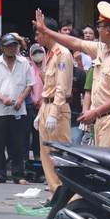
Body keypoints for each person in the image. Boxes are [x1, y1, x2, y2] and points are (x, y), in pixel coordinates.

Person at [32, 1, 110, 148]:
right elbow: (74, 42)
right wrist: (46, 31)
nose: (97, 30)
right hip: (99, 119)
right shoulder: (102, 48)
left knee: (107, 168)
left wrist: (95, 111)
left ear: (108, 29)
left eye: (99, 27)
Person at [31, 14, 73, 207]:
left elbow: (61, 88)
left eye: (39, 33)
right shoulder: (50, 54)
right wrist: (42, 112)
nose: (36, 38)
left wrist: (54, 113)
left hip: (57, 108)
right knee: (46, 154)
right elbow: (49, 86)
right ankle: (55, 193)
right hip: (47, 106)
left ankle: (67, 195)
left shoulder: (62, 53)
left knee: (59, 153)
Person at [0, 33, 34, 184]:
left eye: (15, 46)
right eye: (9, 46)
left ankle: (18, 175)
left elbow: (29, 85)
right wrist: (2, 98)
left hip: (18, 109)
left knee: (18, 143)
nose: (12, 49)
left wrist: (21, 99)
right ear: (2, 47)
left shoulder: (24, 63)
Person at [27, 44, 45, 161]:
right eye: (34, 53)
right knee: (28, 133)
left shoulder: (48, 69)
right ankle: (30, 159)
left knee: (40, 135)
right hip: (30, 106)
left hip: (44, 106)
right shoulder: (28, 70)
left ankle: (41, 159)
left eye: (40, 52)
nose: (37, 56)